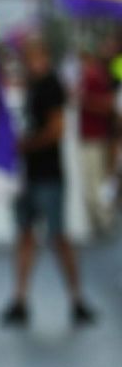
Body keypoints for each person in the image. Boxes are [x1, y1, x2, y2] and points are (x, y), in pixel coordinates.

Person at [1, 38, 97, 328]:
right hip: (30, 175)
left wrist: (26, 145)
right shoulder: (34, 85)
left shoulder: (50, 85)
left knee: (57, 237)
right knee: (26, 236)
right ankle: (20, 299)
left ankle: (77, 299)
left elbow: (56, 130)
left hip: (47, 175)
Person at [75, 50, 116, 235]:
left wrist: (85, 101)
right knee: (93, 179)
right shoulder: (90, 77)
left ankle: (102, 218)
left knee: (96, 180)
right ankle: (97, 218)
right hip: (91, 135)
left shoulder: (95, 78)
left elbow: (108, 105)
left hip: (96, 136)